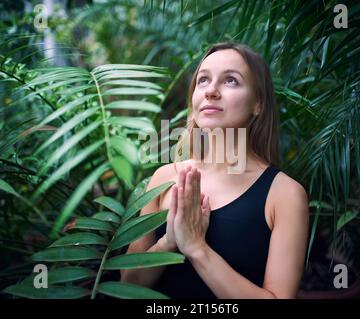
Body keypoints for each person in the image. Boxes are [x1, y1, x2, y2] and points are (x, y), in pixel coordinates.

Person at [120, 42, 309, 299]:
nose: (211, 91)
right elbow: (127, 286)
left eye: (230, 80)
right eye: (203, 80)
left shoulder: (285, 194)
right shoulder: (164, 179)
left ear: (258, 104)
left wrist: (197, 248)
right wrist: (169, 243)